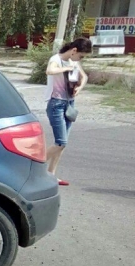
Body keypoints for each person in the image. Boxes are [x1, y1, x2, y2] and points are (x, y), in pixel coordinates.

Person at [44, 37, 92, 186]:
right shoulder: (56, 59)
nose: (80, 59)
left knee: (62, 144)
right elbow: (49, 70)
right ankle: (32, 168)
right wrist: (66, 68)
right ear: (74, 50)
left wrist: (79, 87)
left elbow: (84, 77)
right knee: (61, 142)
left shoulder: (74, 61)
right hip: (56, 103)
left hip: (69, 103)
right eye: (81, 56)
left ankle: (51, 175)